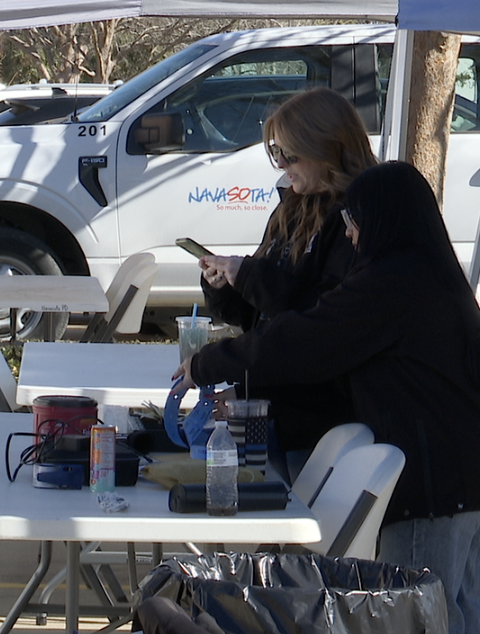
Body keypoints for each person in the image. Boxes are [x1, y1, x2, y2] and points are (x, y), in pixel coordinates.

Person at [176, 161, 480, 634]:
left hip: (431, 485)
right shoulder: (433, 273)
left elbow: (303, 341)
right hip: (461, 475)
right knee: (457, 612)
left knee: (419, 616)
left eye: (353, 222)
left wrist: (209, 363)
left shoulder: (393, 282)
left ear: (381, 219)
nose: (351, 236)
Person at [197, 88, 378, 474]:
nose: (282, 165)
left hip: (318, 421)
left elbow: (322, 323)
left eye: (290, 154)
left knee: (295, 522)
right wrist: (224, 286)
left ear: (326, 148)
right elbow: (259, 315)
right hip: (273, 405)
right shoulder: (291, 207)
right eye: (276, 153)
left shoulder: (356, 220)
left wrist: (249, 276)